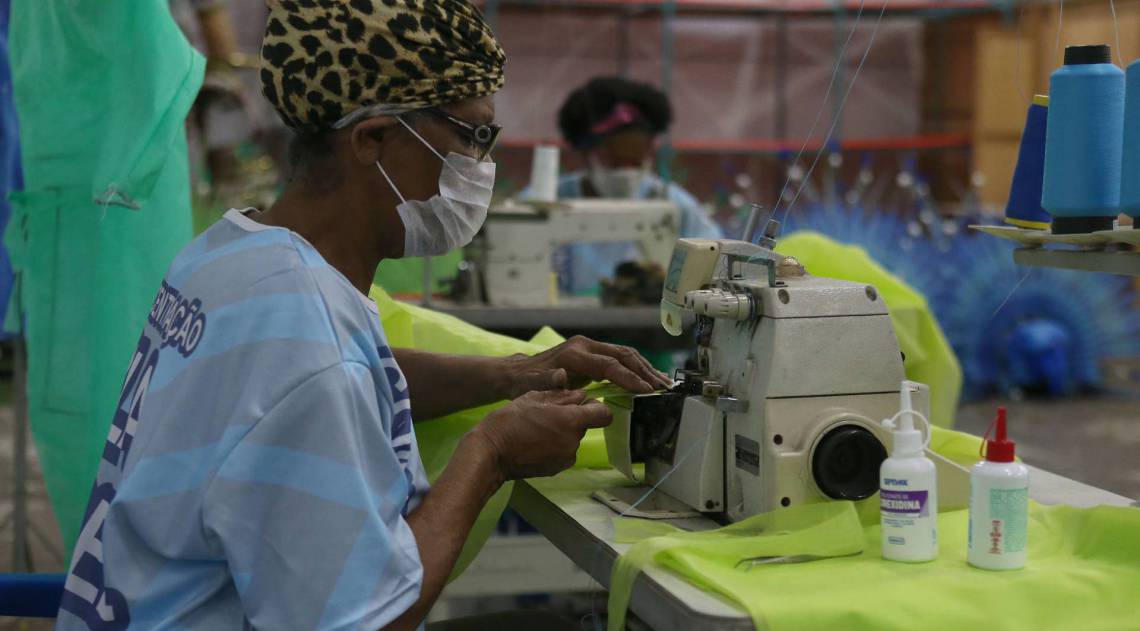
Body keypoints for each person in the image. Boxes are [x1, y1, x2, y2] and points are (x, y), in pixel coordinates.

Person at [55, 1, 671, 629]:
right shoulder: (309, 346)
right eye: (472, 136)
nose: (482, 166)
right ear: (373, 139)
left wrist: (517, 373)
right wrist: (491, 452)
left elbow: (331, 381)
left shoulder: (230, 255)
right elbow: (373, 620)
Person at [552, 76, 722, 295]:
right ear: (585, 152)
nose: (626, 170)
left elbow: (715, 263)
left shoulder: (675, 205)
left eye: (636, 158)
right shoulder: (547, 202)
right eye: (614, 158)